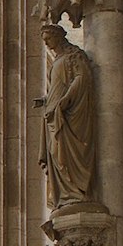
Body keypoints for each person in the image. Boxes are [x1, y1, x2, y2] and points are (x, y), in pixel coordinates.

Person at [37, 24, 97, 212]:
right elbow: (55, 88)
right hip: (54, 114)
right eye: (44, 41)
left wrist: (66, 99)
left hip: (69, 114)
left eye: (48, 39)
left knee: (64, 152)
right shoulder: (56, 61)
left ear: (58, 36)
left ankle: (76, 192)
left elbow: (81, 78)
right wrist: (46, 101)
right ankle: (64, 195)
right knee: (55, 153)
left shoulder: (74, 55)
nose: (46, 44)